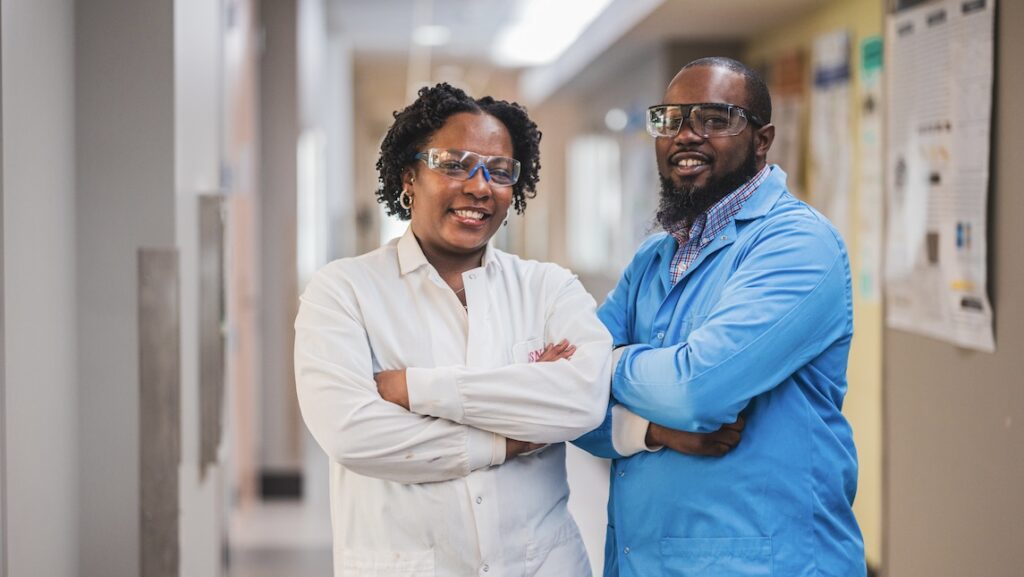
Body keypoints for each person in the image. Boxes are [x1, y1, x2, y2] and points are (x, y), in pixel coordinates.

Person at [294, 83, 614, 577]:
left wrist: (414, 389)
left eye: (499, 171)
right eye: (453, 163)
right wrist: (508, 438)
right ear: (409, 176)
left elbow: (582, 401)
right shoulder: (343, 292)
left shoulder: (549, 287)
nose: (480, 185)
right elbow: (353, 434)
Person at [574, 57, 866, 576]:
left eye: (714, 118)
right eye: (671, 119)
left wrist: (610, 361)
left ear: (762, 138)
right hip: (642, 559)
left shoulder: (797, 244)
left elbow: (696, 391)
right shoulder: (654, 258)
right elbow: (566, 400)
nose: (687, 135)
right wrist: (655, 431)